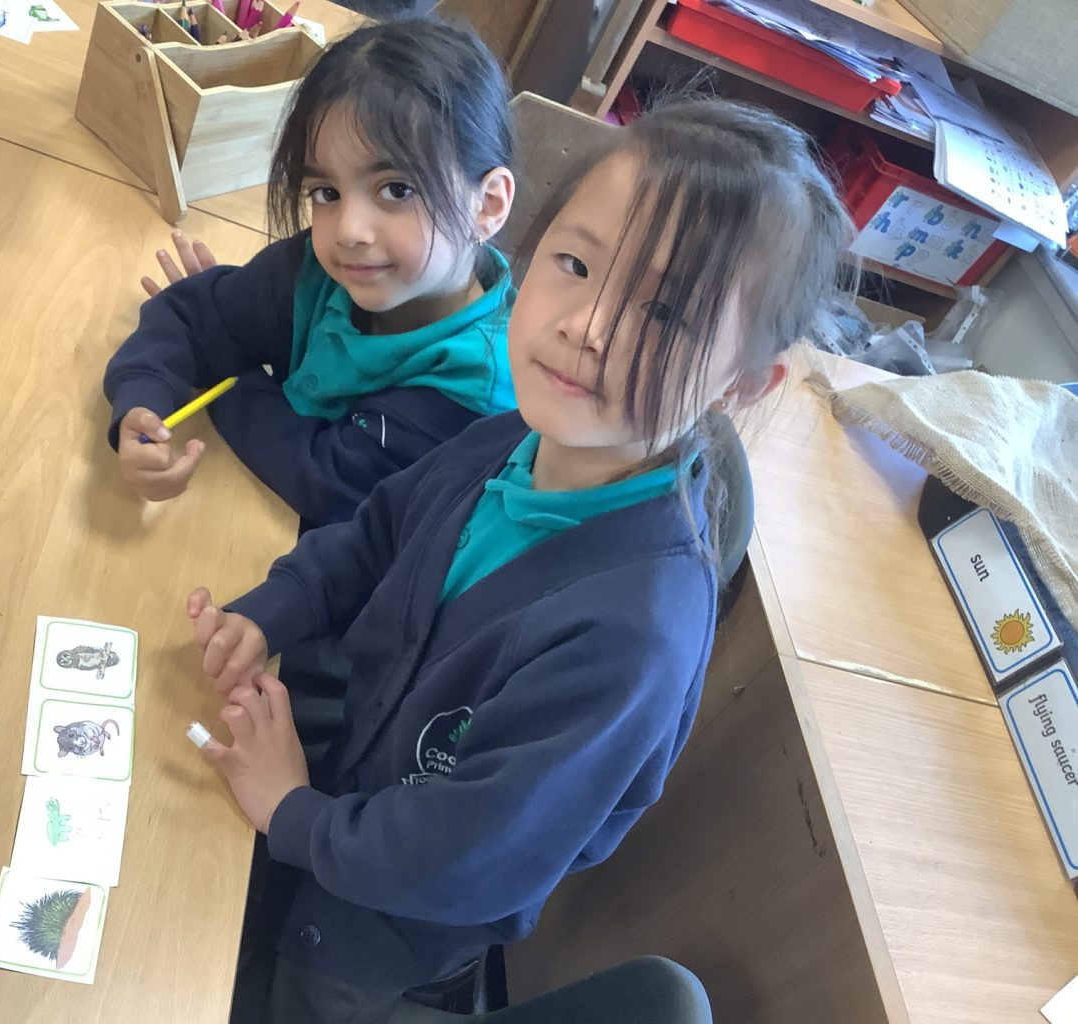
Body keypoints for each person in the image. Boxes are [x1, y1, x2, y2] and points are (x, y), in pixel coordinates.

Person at [186, 96, 855, 1023]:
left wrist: (291, 811)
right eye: (574, 265)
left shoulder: (631, 638)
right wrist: (276, 609)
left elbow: (458, 857)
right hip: (325, 804)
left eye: (663, 313)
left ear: (742, 383)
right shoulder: (519, 433)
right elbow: (380, 530)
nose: (587, 325)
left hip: (365, 940)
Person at [104, 19, 517, 528]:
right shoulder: (320, 271)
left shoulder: (473, 389)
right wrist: (140, 403)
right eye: (327, 193)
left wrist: (231, 372)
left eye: (397, 189)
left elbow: (326, 480)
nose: (348, 230)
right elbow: (194, 314)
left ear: (487, 205)